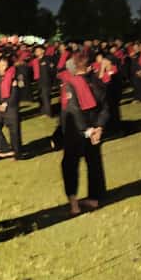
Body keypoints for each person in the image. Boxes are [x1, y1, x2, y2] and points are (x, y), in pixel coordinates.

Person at [58, 53, 109, 215]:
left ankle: (74, 204)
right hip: (93, 129)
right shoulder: (97, 82)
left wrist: (87, 131)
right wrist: (99, 127)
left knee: (70, 165)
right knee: (94, 163)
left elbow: (74, 110)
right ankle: (95, 197)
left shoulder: (70, 84)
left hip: (77, 131)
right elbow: (105, 107)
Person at [0, 57, 22, 159]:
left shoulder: (13, 76)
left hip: (11, 108)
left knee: (14, 132)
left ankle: (17, 153)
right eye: (0, 64)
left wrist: (5, 104)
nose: (1, 66)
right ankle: (5, 149)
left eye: (4, 64)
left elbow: (15, 94)